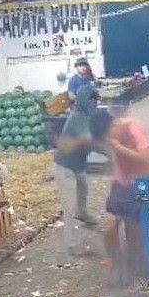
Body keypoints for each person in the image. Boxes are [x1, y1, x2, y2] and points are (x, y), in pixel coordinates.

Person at [89, 109, 149, 286]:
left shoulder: (133, 128)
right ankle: (116, 262)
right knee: (110, 228)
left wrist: (119, 148)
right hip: (121, 182)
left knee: (136, 227)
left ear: (112, 125)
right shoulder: (112, 136)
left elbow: (147, 159)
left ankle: (140, 267)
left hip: (141, 182)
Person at [54, 85, 99, 256]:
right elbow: (88, 141)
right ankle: (73, 245)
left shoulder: (84, 116)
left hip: (77, 166)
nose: (95, 105)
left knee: (83, 188)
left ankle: (83, 213)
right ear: (86, 101)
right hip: (65, 168)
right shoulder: (78, 118)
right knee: (69, 207)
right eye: (93, 101)